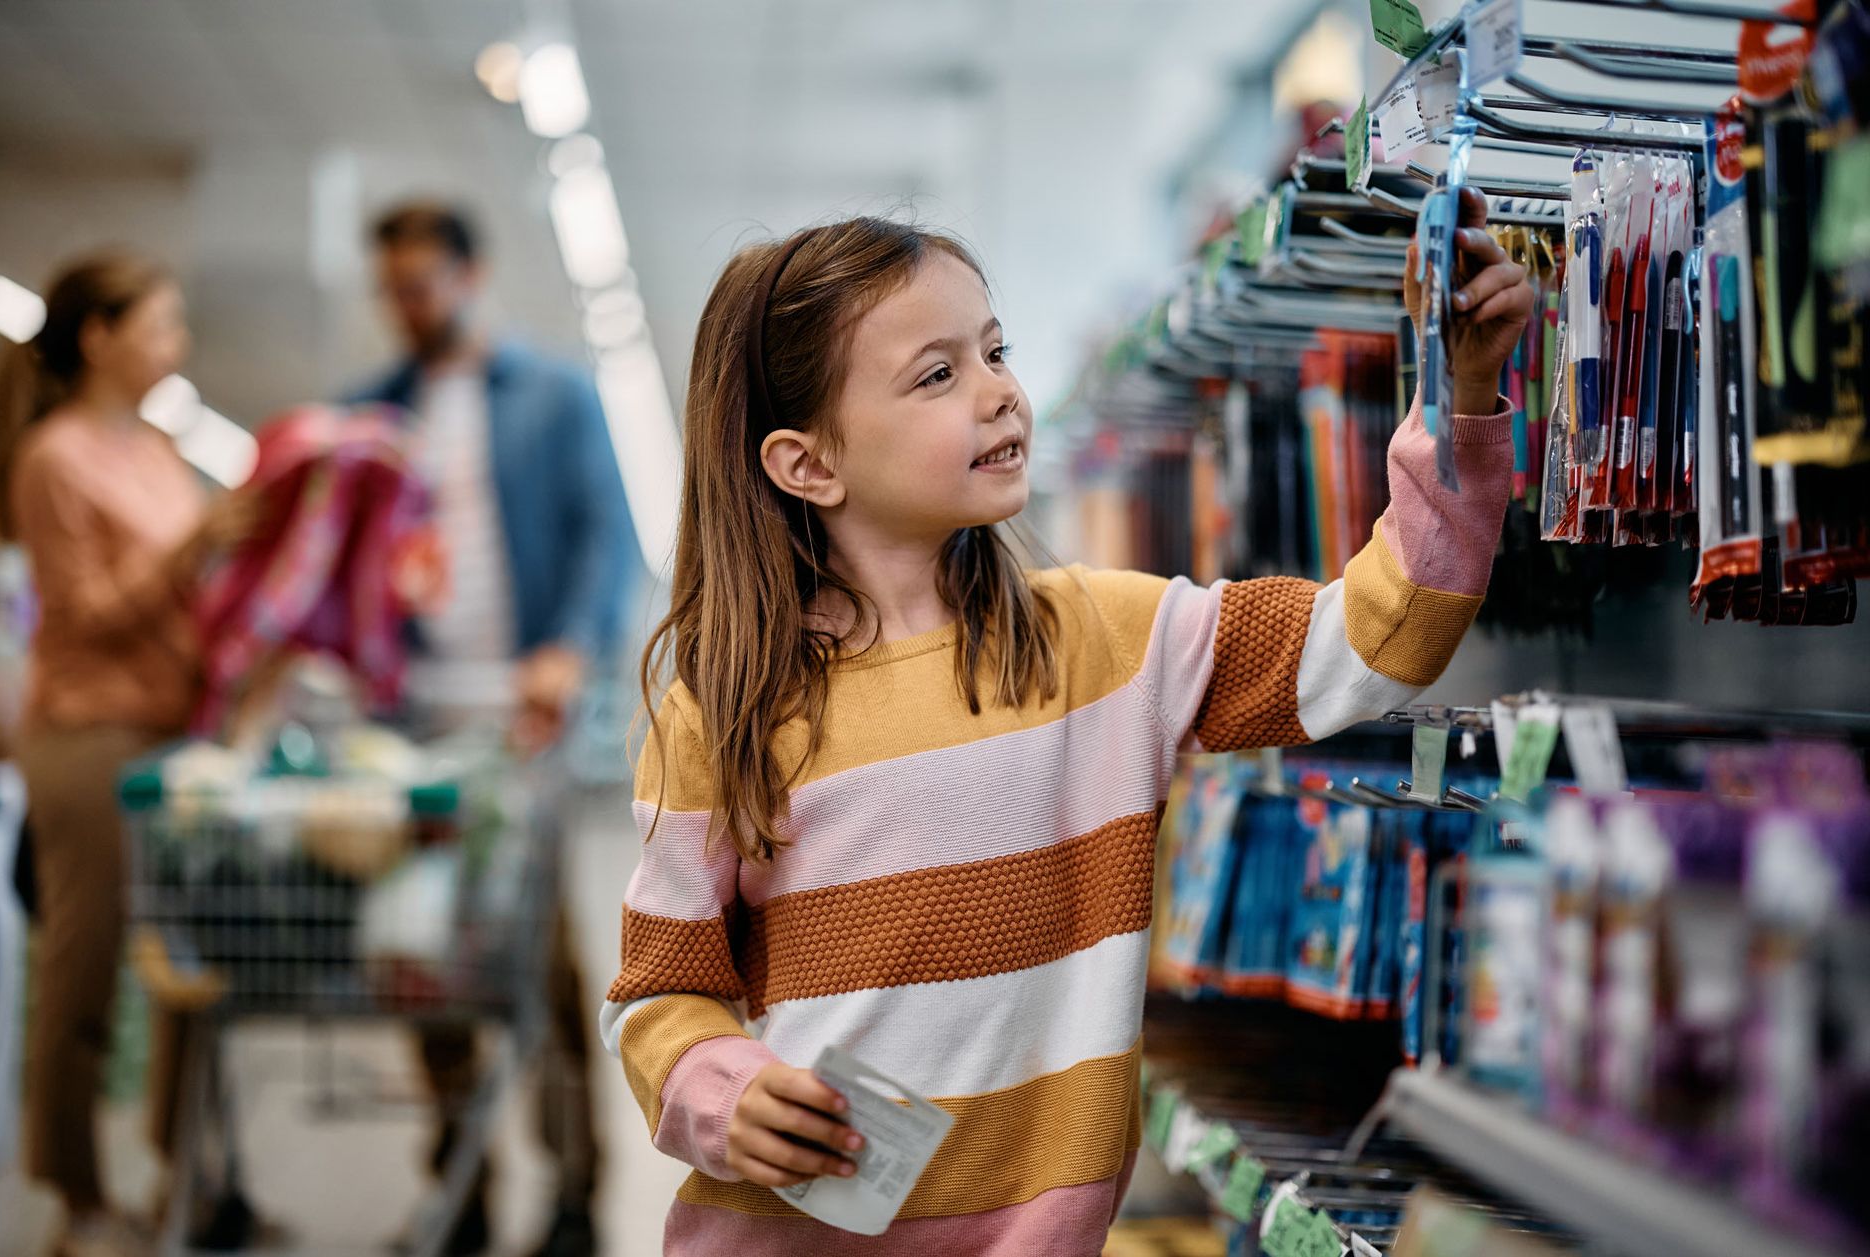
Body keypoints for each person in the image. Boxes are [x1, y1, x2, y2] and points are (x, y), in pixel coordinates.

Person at [601, 198, 1532, 1254]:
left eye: (995, 351)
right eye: (938, 374)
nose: (999, 391)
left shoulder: (1108, 643)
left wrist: (1456, 396)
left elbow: (1377, 636)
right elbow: (661, 992)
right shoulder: (724, 715)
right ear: (807, 464)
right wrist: (727, 1096)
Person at [348, 201, 640, 1257]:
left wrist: (569, 648)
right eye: (393, 288)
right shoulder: (375, 414)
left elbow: (608, 541)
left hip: (523, 734)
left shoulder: (553, 397)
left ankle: (573, 1197)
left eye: (424, 282)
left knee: (539, 968)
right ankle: (460, 1189)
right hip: (410, 733)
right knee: (418, 959)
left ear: (473, 275)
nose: (408, 305)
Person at [0, 252, 252, 1257]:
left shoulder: (155, 451)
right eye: (160, 326)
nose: (177, 346)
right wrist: (186, 552)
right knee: (85, 970)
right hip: (88, 740)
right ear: (99, 337)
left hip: (169, 735)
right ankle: (77, 1199)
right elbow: (85, 614)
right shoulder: (55, 457)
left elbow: (175, 602)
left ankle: (183, 1174)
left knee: (187, 969)